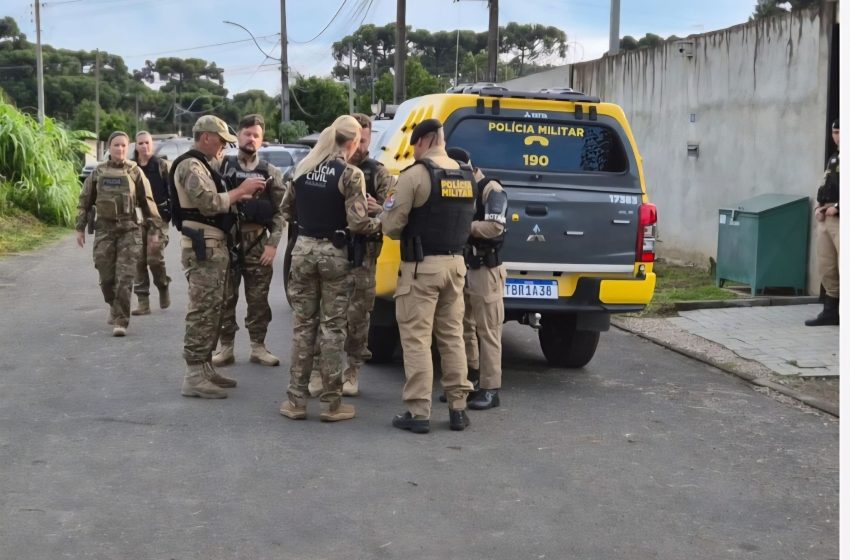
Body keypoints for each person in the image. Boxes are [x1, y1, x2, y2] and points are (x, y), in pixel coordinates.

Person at [279, 115, 381, 422]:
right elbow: (358, 223)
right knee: (333, 328)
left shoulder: (303, 168)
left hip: (302, 251)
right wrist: (384, 224)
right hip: (335, 256)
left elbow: (285, 209)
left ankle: (295, 401)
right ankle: (331, 403)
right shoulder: (350, 175)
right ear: (350, 143)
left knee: (302, 327)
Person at [379, 118, 477, 434]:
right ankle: (458, 409)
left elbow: (391, 225)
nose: (415, 151)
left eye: (415, 145)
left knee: (417, 338)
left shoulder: (416, 175)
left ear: (424, 141)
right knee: (452, 337)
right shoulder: (467, 174)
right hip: (456, 267)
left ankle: (419, 412)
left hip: (422, 269)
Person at [170, 115, 266, 399]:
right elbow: (209, 203)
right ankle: (193, 376)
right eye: (222, 140)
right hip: (203, 248)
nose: (225, 146)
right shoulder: (190, 165)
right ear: (206, 137)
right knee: (202, 311)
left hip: (213, 247)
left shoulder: (204, 165)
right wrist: (241, 192)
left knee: (213, 309)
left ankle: (204, 367)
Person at [306, 112, 394, 397]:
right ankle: (320, 372)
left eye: (365, 141)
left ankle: (352, 370)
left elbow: (393, 210)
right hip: (331, 252)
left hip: (362, 257)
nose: (360, 146)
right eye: (358, 140)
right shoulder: (325, 167)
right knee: (325, 315)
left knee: (357, 319)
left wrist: (376, 208)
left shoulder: (377, 172)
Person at [212, 114, 287, 367]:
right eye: (247, 134)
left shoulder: (270, 173)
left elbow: (282, 212)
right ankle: (226, 347)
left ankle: (258, 346)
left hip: (258, 244)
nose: (251, 139)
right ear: (238, 137)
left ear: (262, 140)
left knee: (258, 300)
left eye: (256, 135)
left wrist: (273, 243)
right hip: (227, 242)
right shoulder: (220, 168)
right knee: (225, 297)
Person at [76, 131, 163, 337]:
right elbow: (84, 202)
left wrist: (154, 230)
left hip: (129, 230)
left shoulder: (135, 172)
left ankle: (121, 320)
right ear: (109, 148)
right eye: (117, 145)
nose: (121, 149)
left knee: (125, 277)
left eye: (124, 146)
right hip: (104, 230)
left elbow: (148, 203)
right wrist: (80, 228)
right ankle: (114, 306)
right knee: (106, 277)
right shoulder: (98, 173)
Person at [448, 147, 507, 410]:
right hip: (466, 266)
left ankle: (491, 388)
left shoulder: (490, 189)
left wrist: (463, 227)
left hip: (486, 269)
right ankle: (469, 380)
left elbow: (496, 226)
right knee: (464, 327)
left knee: (489, 331)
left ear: (470, 168)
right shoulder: (460, 187)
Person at [131, 131, 172, 315]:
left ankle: (162, 285)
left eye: (147, 142)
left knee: (154, 257)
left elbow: (173, 192)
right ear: (136, 146)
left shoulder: (162, 166)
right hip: (137, 218)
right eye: (140, 143)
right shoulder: (131, 167)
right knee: (139, 260)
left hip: (158, 219)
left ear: (152, 144)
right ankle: (143, 301)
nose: (144, 146)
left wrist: (171, 213)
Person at [806, 118, 840, 326]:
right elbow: (824, 183)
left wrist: (840, 207)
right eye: (835, 132)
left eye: (841, 132)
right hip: (826, 216)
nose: (837, 136)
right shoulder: (834, 158)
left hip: (840, 217)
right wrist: (819, 207)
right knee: (827, 266)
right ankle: (831, 312)